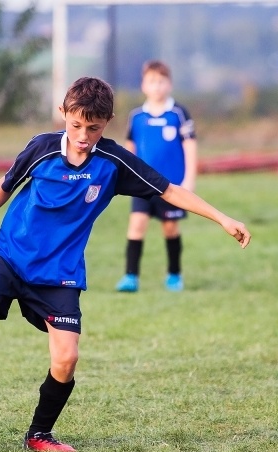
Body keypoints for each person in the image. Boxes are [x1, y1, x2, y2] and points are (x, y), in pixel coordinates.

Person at [0, 77, 251, 452]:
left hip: (59, 274)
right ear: (63, 114)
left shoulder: (113, 162)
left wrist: (223, 218)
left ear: (108, 122)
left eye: (93, 128)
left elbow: (170, 190)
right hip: (12, 256)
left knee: (66, 359)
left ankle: (39, 434)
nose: (83, 135)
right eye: (76, 125)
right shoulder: (42, 148)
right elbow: (7, 183)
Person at [116, 60, 197, 293]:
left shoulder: (178, 114)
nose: (157, 86)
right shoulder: (136, 116)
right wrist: (124, 177)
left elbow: (190, 146)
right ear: (143, 85)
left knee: (170, 227)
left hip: (172, 185)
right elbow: (128, 149)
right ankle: (130, 277)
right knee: (136, 225)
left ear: (169, 84)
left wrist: (190, 179)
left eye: (161, 81)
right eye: (152, 81)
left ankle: (174, 275)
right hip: (142, 185)